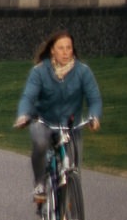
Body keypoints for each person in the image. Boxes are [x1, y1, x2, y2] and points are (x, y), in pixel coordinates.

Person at [14, 30, 103, 207]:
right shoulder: (39, 71)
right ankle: (40, 184)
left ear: (73, 50)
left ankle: (70, 199)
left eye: (68, 48)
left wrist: (94, 117)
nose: (65, 52)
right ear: (52, 50)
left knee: (73, 168)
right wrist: (23, 115)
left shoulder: (82, 71)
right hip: (44, 121)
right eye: (60, 48)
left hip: (71, 126)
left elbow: (94, 99)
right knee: (40, 143)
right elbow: (28, 97)